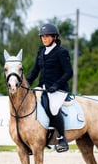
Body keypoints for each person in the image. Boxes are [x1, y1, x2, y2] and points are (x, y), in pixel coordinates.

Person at [26, 23, 73, 153]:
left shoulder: (61, 52)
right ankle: (34, 139)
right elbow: (35, 71)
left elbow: (69, 73)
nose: (44, 39)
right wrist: (25, 83)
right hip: (43, 88)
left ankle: (62, 138)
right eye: (42, 36)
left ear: (54, 37)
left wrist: (56, 85)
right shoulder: (41, 52)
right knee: (30, 105)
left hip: (59, 89)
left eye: (47, 36)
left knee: (53, 108)